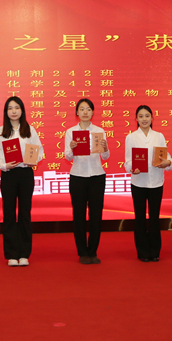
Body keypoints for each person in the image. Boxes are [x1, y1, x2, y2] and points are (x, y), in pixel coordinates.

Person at [0, 96, 43, 267]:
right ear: (6, 112)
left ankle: (24, 254)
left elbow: (39, 151)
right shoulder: (0, 132)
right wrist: (4, 165)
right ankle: (12, 254)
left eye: (17, 108)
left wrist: (32, 160)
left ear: (22, 110)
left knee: (25, 214)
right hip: (9, 175)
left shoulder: (30, 130)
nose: (14, 111)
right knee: (9, 214)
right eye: (10, 108)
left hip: (26, 174)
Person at [123, 105, 172, 262]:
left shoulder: (159, 136)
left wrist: (168, 163)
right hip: (138, 183)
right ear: (136, 119)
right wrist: (132, 168)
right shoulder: (131, 137)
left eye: (147, 116)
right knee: (139, 218)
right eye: (141, 116)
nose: (144, 119)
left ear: (152, 118)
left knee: (154, 218)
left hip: (156, 183)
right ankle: (143, 252)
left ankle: (155, 251)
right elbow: (127, 161)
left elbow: (167, 157)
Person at [64, 97, 111, 264]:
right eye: (82, 109)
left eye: (88, 109)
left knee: (96, 215)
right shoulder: (70, 132)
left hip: (97, 176)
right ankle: (82, 252)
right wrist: (72, 148)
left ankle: (93, 251)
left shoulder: (99, 131)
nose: (85, 112)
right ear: (77, 112)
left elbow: (105, 156)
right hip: (78, 176)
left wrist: (105, 148)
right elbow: (67, 156)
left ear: (92, 112)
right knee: (79, 215)